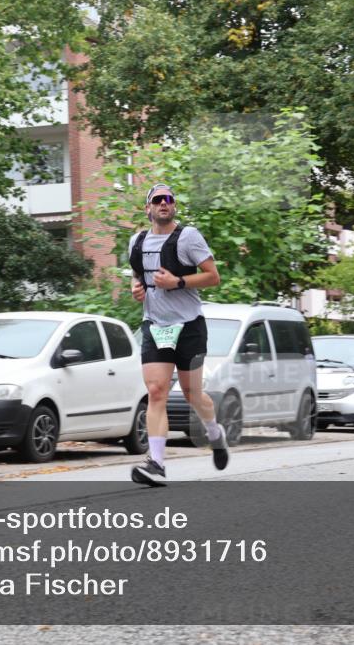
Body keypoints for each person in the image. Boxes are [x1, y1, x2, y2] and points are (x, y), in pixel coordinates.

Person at [128, 183, 225, 486]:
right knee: (157, 391)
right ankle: (157, 464)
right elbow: (137, 274)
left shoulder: (188, 237)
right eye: (157, 200)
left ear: (174, 206)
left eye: (168, 199)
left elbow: (213, 277)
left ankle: (215, 432)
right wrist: (136, 288)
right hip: (155, 325)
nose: (164, 203)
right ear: (148, 208)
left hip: (189, 326)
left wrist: (178, 282)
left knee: (191, 393)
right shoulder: (137, 241)